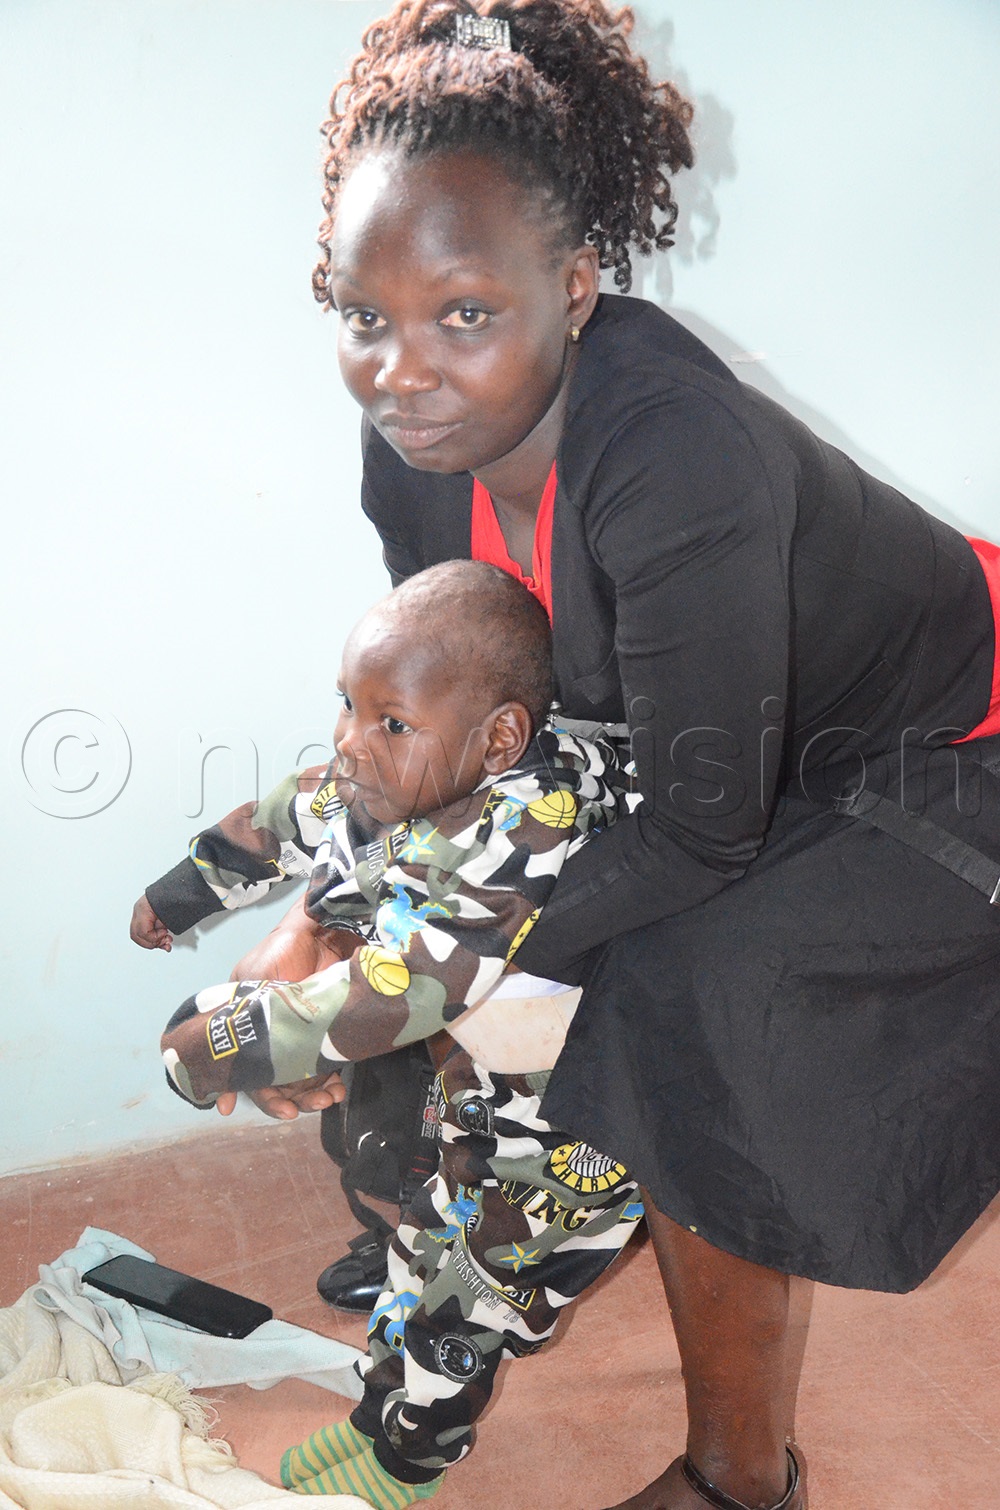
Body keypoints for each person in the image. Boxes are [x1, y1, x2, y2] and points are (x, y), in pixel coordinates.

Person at [299, 2, 1000, 1507]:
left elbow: (696, 838)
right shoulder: (413, 447)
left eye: (463, 315)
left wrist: (426, 965)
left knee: (692, 993)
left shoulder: (677, 458)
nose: (403, 372)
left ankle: (742, 1477)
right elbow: (432, 708)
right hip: (737, 743)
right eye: (366, 316)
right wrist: (333, 915)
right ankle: (511, 1225)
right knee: (469, 939)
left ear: (574, 285)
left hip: (950, 736)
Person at [161, 560, 644, 1507]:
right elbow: (293, 813)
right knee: (416, 1255)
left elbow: (406, 990)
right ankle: (380, 1416)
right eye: (347, 703)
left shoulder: (528, 824)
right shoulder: (415, 766)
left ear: (502, 736)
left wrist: (214, 1040)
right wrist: (182, 892)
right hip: (483, 1089)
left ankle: (408, 1461)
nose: (350, 740)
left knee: (469, 1300)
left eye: (388, 722)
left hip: (576, 1125)